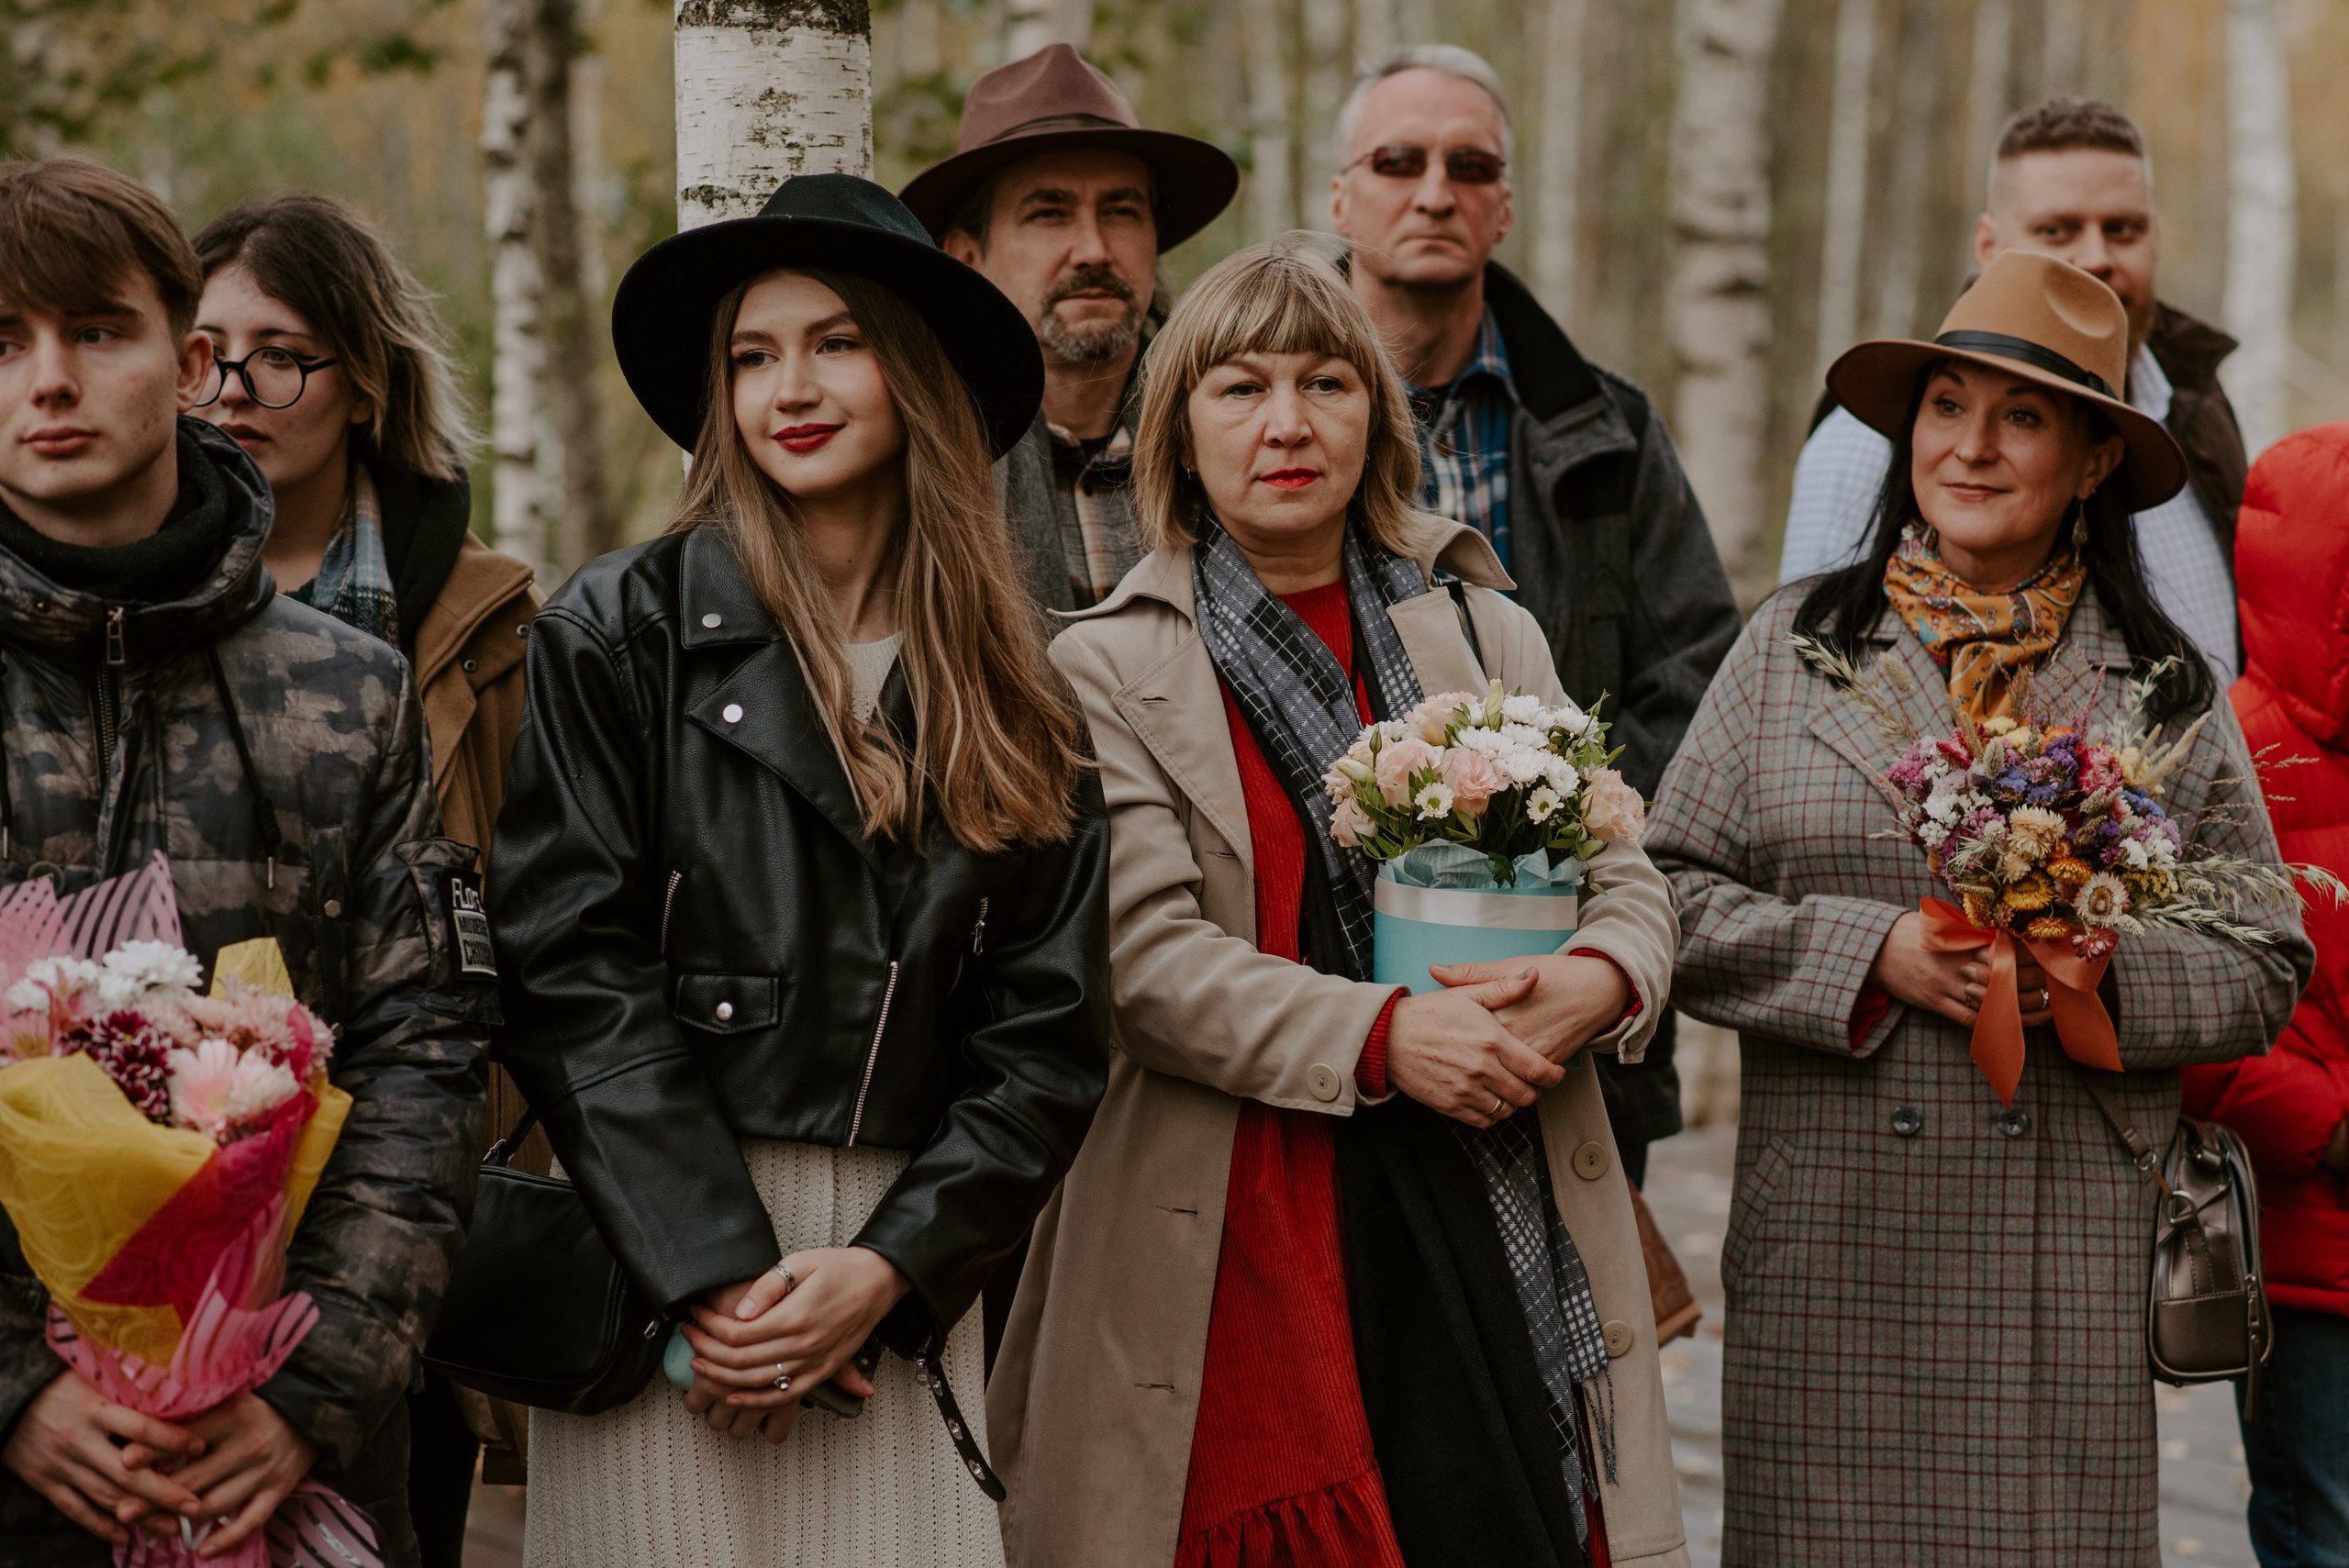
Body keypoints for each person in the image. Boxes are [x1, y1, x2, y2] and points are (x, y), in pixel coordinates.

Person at [987, 239, 1687, 1568]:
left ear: (1379, 414)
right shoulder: (1105, 666)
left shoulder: (1482, 631)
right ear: (1178, 429)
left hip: (1502, 1164)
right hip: (1248, 1218)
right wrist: (1383, 1036)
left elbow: (1628, 881)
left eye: (1327, 383)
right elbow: (1144, 966)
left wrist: (1602, 980)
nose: (1289, 424)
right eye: (1240, 389)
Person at [1644, 250, 2312, 1565]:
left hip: (2059, 1262)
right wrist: (1867, 950)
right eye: (1946, 408)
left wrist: (2103, 979)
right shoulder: (1794, 647)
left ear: (2094, 459)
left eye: (2021, 418)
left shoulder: (2161, 688)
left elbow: (2266, 958)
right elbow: (1666, 897)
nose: (1972, 448)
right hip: (1833, 1256)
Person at [485, 173, 1110, 1568]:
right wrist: (710, 1274)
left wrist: (888, 1274)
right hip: (659, 1250)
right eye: (752, 356)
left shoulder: (1025, 686)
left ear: (919, 368)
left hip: (890, 1277)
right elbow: (563, 963)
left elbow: (1051, 1038)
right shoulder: (619, 628)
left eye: (836, 340)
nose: (791, 387)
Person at [0, 158, 489, 1567]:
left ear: (190, 355)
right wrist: (17, 1391)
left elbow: (428, 1050)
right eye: (4, 340)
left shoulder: (355, 693)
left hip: (283, 1474)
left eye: (97, 329)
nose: (50, 381)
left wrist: (308, 1384)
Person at [185, 192, 540, 1567]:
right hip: (148, 1218)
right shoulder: (119, 604)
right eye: (203, 349)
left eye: (280, 353)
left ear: (368, 379)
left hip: (412, 1233)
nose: (232, 391)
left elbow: (543, 933)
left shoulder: (493, 628)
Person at [1329, 44, 1740, 1188]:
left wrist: (1557, 854)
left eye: (1469, 167)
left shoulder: (1603, 430)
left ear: (1503, 206)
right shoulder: (1266, 417)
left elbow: (1696, 681)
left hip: (1562, 984)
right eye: (1398, 161)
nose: (1433, 191)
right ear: (1340, 196)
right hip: (1325, 998)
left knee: (1576, 1357)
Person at [1779, 97, 2248, 686]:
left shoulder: (2198, 412)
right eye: (2057, 230)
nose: (2097, 257)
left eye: (2122, 230)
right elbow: (1805, 681)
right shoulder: (1868, 445)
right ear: (1987, 247)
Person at [903, 42, 1238, 616]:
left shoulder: (1230, 431)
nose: (1093, 250)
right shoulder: (920, 459)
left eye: (1121, 210)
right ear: (965, 259)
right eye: (1049, 213)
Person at [2181, 422, 2349, 1568]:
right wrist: (2330, 1126)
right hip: (2313, 1246)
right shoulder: (2234, 759)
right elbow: (2184, 1015)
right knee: (2322, 1520)